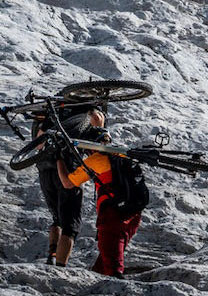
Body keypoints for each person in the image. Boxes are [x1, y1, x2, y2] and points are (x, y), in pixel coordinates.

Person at [57, 111, 145, 278]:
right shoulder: (121, 153)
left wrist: (59, 160)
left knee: (113, 265)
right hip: (133, 213)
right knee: (106, 260)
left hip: (113, 215)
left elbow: (68, 183)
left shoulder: (95, 159)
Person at [31, 109, 85, 266]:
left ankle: (52, 255)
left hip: (44, 172)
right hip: (66, 171)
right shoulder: (79, 117)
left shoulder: (40, 123)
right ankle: (60, 267)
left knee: (57, 219)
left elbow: (37, 145)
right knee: (70, 227)